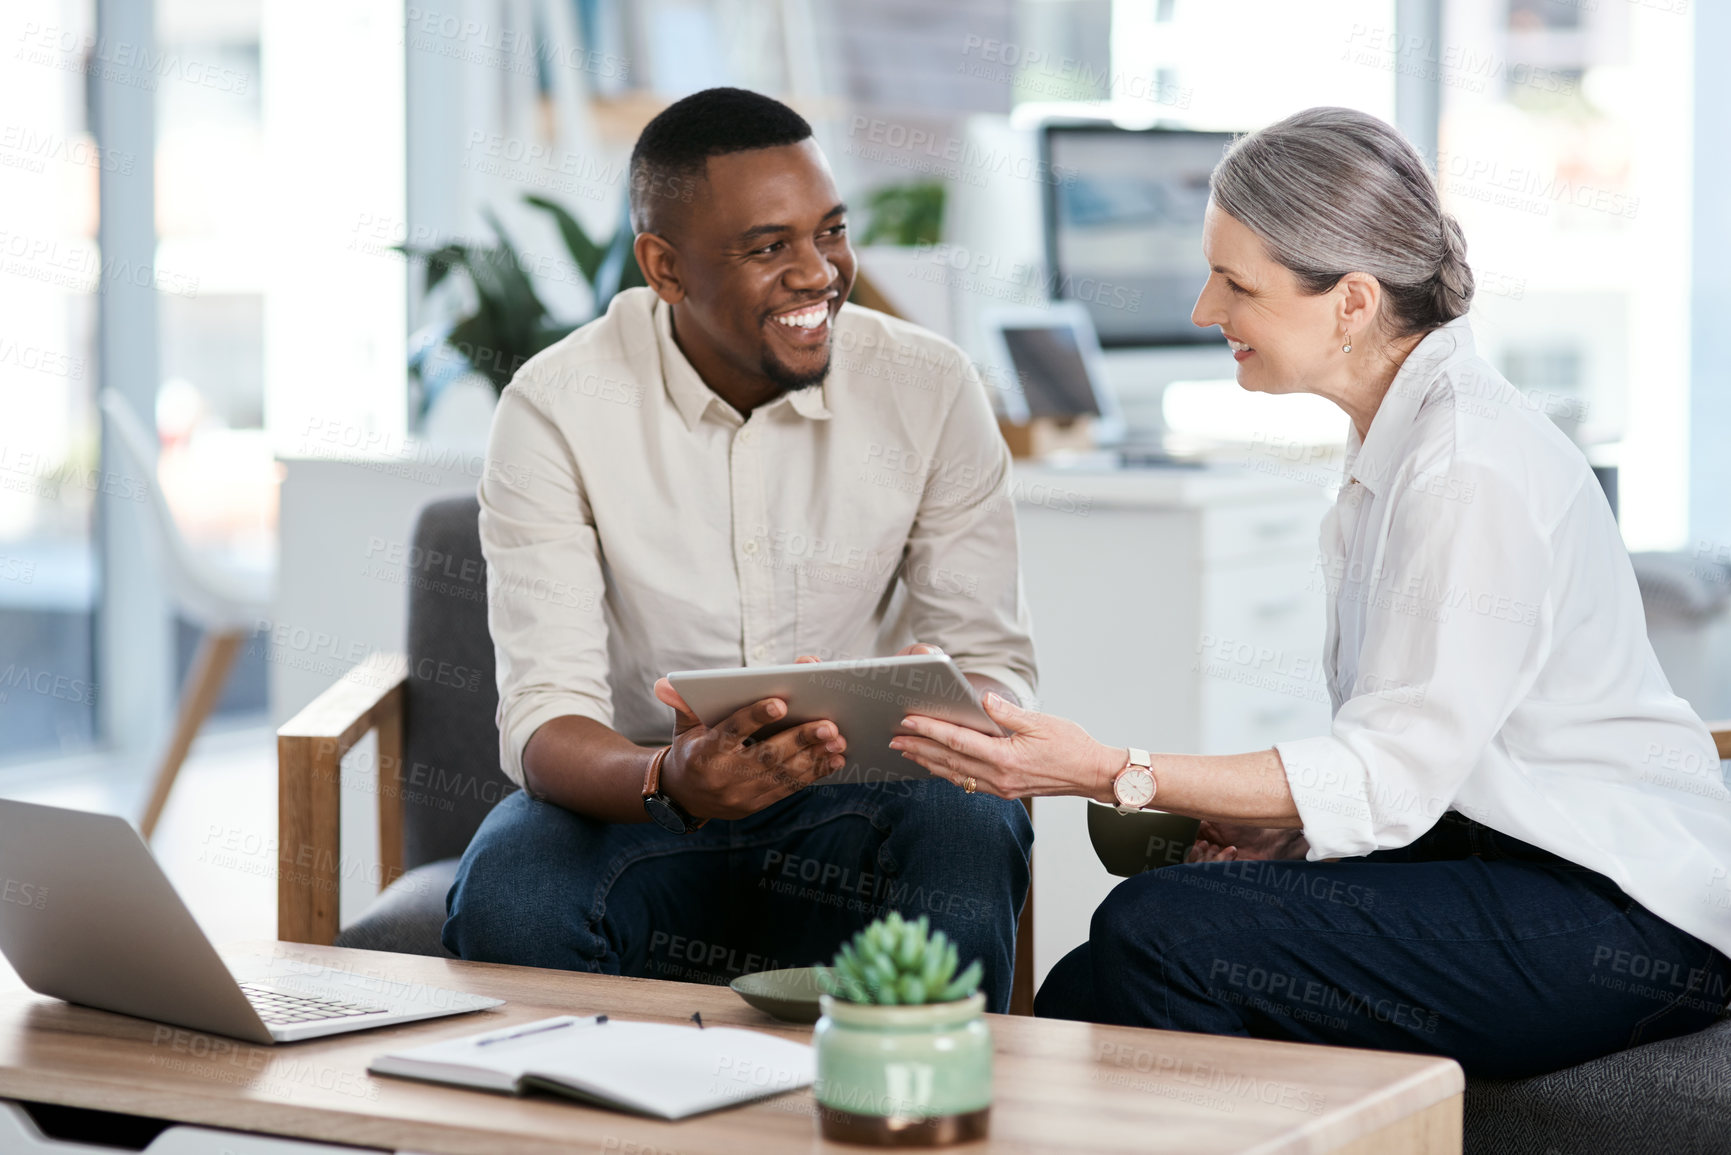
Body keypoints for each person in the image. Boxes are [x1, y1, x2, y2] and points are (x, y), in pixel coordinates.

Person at [890, 106, 1731, 1076]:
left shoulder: (1468, 468)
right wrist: (1286, 829)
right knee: (1086, 990)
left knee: (1158, 932)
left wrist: (1106, 768)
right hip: (1494, 855)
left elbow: (1389, 773)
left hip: (1622, 910)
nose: (1206, 311)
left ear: (1352, 301)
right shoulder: (1402, 436)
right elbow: (1430, 748)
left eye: (1235, 283)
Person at [442, 87, 1037, 1011]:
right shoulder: (556, 403)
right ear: (664, 268)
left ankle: (921, 1120)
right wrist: (668, 778)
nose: (819, 273)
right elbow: (545, 714)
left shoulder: (928, 386)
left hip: (851, 797)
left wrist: (949, 705)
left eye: (829, 232)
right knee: (512, 889)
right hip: (639, 805)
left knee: (967, 818)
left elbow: (994, 662)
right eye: (769, 247)